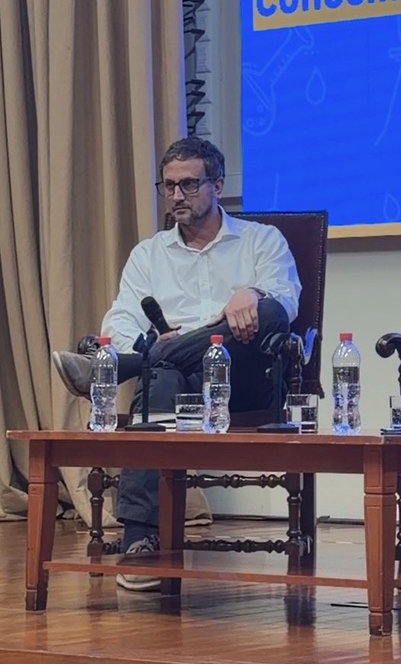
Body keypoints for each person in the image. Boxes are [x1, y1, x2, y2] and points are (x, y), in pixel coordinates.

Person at [51, 137, 301, 591]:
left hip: (244, 381)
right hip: (178, 387)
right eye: (168, 186)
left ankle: (133, 364)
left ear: (217, 184)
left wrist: (252, 294)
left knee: (263, 315)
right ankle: (140, 538)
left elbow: (286, 305)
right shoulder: (149, 254)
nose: (177, 196)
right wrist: (150, 342)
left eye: (188, 184)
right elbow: (120, 319)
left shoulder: (261, 240)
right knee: (162, 372)